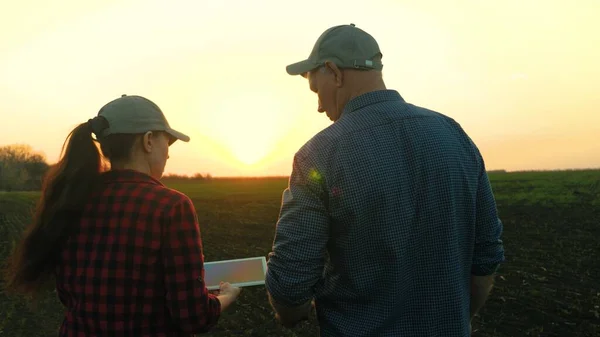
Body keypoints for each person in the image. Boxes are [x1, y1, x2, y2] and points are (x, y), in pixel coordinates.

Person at [264, 24, 505, 336]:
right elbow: (485, 257)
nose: (320, 106)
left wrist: (290, 313)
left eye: (316, 90)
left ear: (334, 72)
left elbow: (291, 288)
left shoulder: (318, 155)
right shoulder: (454, 134)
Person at [4, 94, 241, 336]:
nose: (168, 154)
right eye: (167, 142)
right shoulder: (172, 206)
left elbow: (69, 294)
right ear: (148, 141)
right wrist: (225, 298)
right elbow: (192, 316)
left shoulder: (72, 199)